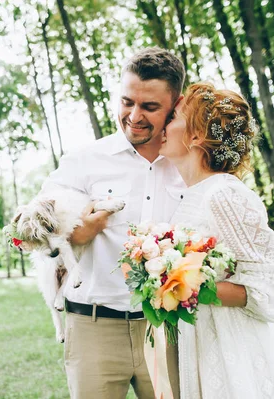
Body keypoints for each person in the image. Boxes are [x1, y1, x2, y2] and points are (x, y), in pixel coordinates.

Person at [41, 47, 186, 399]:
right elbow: (36, 232)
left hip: (168, 329)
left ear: (175, 105)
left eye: (149, 107)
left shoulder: (190, 165)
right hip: (94, 328)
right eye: (126, 102)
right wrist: (74, 234)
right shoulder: (83, 160)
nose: (134, 116)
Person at [157, 82, 274, 398]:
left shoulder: (225, 194)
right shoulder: (192, 195)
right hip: (197, 338)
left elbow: (266, 288)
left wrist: (182, 285)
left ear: (195, 136)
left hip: (231, 345)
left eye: (172, 117)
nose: (163, 125)